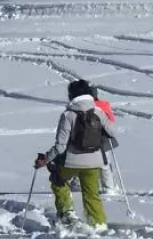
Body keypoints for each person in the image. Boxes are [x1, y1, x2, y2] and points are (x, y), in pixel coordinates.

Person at [34, 80, 116, 230]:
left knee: (58, 180)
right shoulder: (98, 112)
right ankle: (99, 224)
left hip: (72, 162)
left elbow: (60, 146)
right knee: (91, 194)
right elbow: (111, 132)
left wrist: (45, 159)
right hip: (94, 161)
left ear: (72, 95)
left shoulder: (68, 115)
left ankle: (67, 214)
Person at [89, 84, 119, 194]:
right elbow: (111, 121)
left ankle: (82, 184)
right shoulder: (104, 105)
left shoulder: (83, 106)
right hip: (104, 139)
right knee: (105, 163)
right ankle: (108, 186)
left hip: (87, 139)